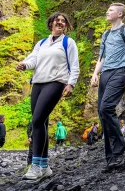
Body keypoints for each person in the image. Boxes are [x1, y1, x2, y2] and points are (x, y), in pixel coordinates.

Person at [16, 12, 80, 181]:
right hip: (37, 83)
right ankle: (44, 166)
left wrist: (71, 83)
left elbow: (74, 65)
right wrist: (24, 64)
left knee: (36, 120)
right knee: (41, 122)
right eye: (57, 20)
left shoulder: (68, 42)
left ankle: (35, 166)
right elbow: (33, 59)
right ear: (51, 23)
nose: (60, 22)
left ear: (66, 25)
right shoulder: (42, 43)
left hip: (56, 82)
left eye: (63, 21)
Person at [90, 3, 125, 172]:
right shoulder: (105, 34)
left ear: (120, 14)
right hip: (105, 73)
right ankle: (111, 158)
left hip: (121, 71)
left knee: (106, 108)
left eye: (111, 10)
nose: (107, 11)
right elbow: (101, 57)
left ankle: (120, 149)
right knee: (102, 114)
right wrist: (95, 74)